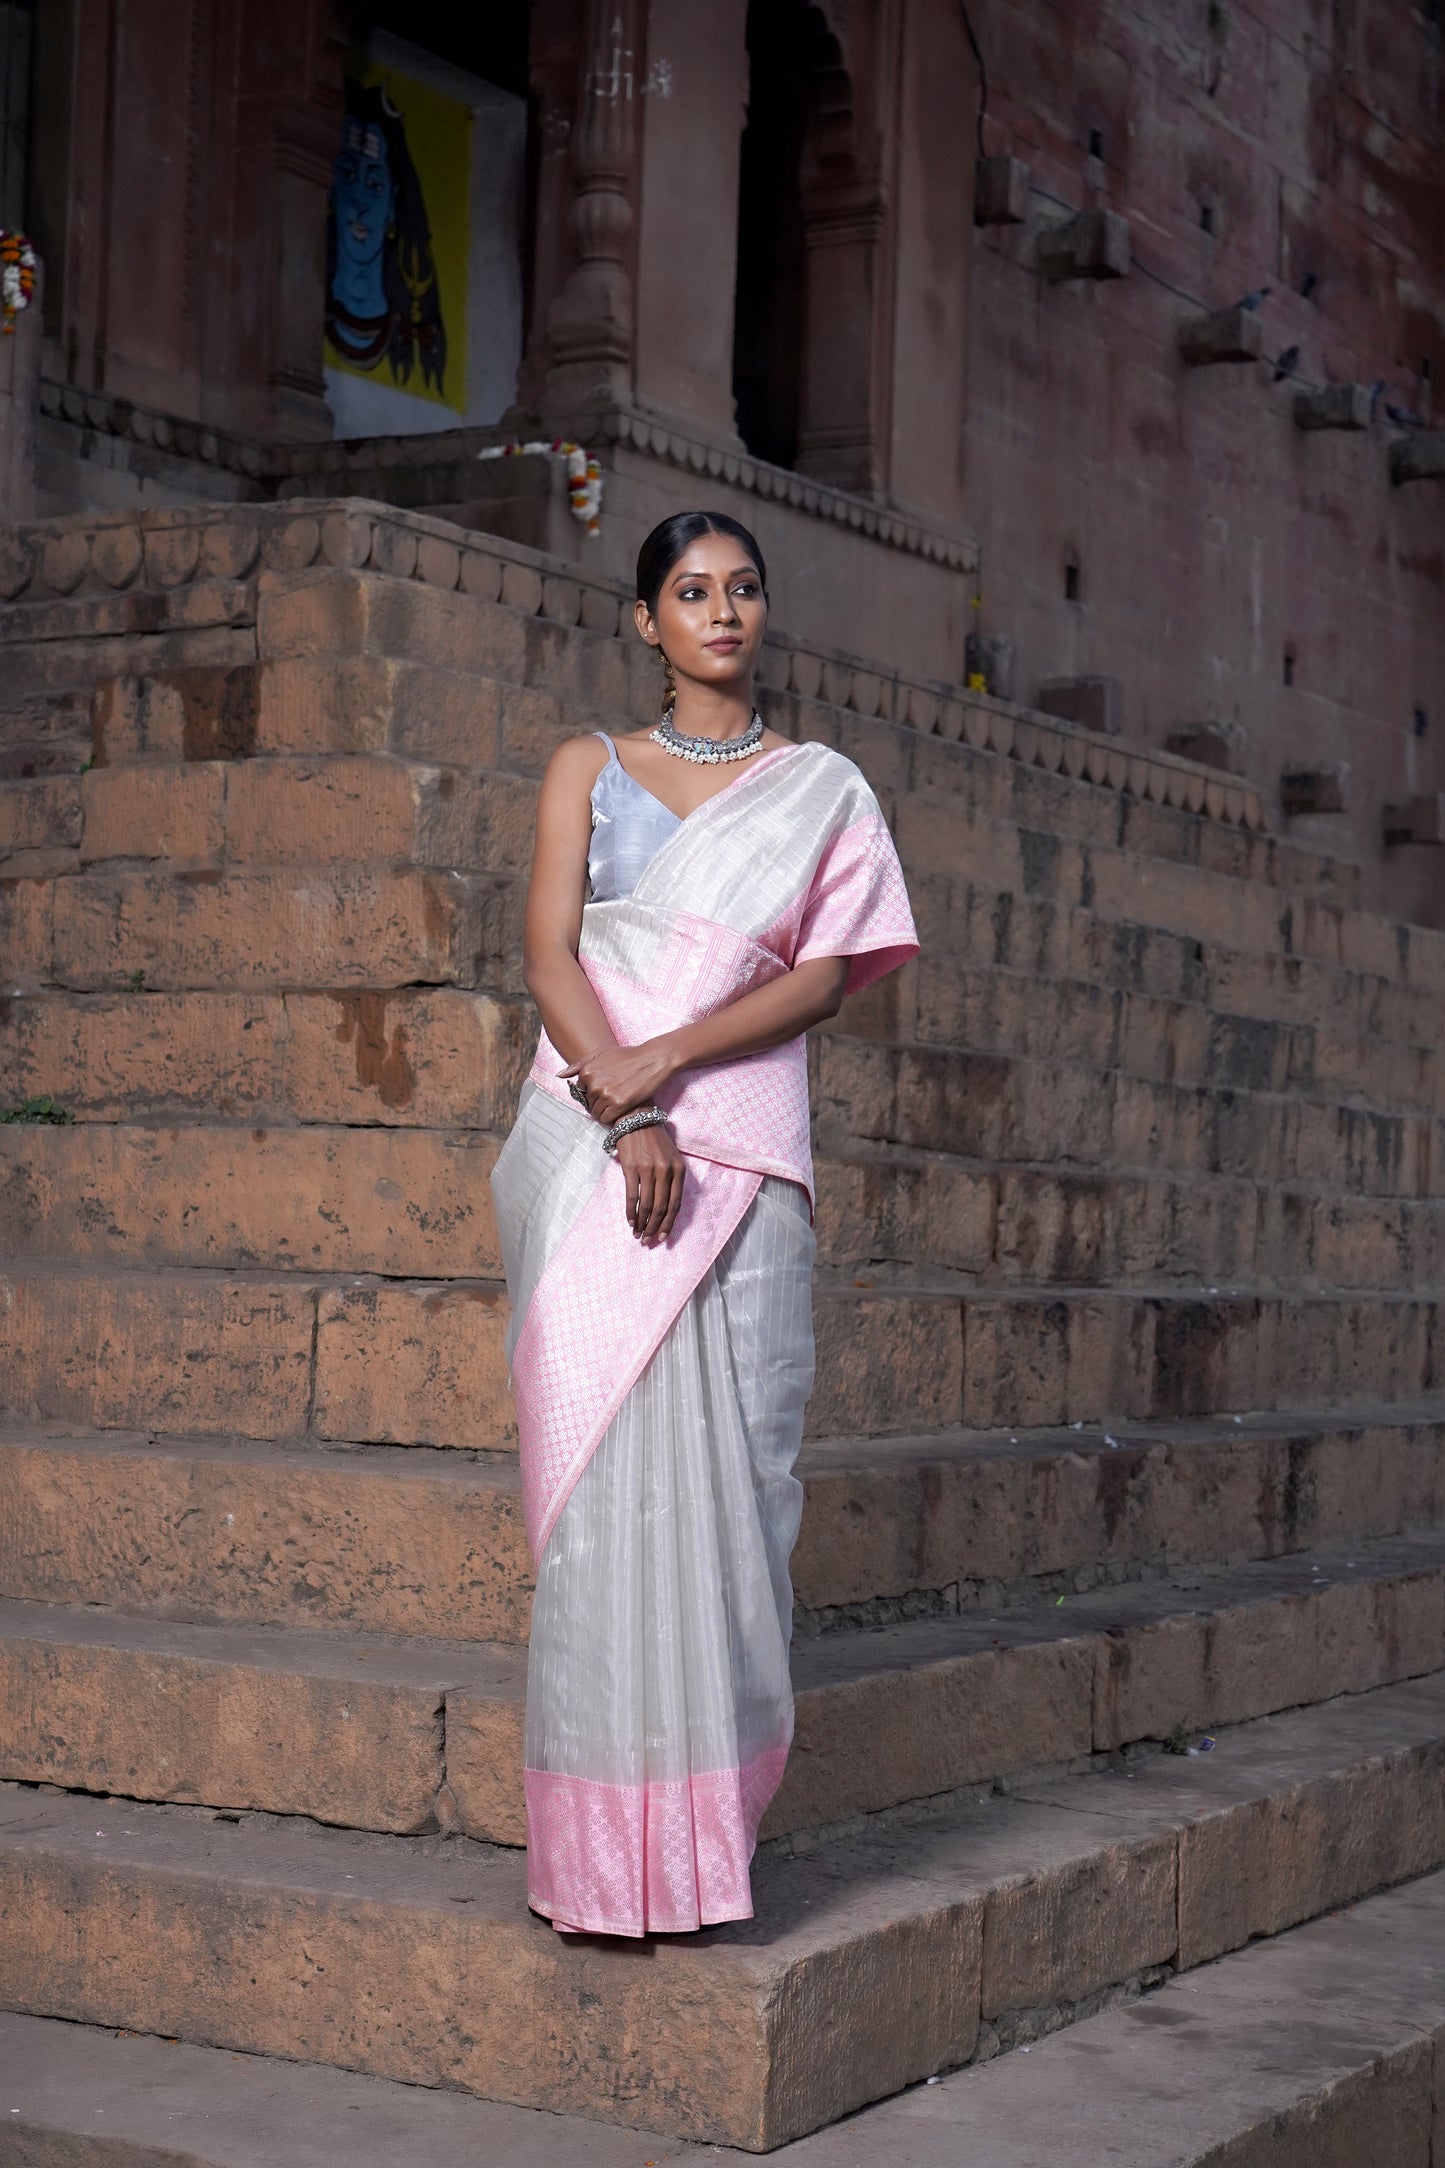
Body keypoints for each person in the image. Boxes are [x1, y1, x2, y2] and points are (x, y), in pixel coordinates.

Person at [491, 509, 918, 1937]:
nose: (721, 611)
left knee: (734, 1496)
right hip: (587, 1142)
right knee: (604, 1502)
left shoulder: (820, 790)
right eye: (690, 591)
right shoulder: (588, 767)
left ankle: (702, 1856)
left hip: (744, 1152)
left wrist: (667, 1063)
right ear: (645, 620)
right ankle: (599, 1869)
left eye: (742, 589)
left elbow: (826, 977)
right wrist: (624, 1112)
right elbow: (549, 950)